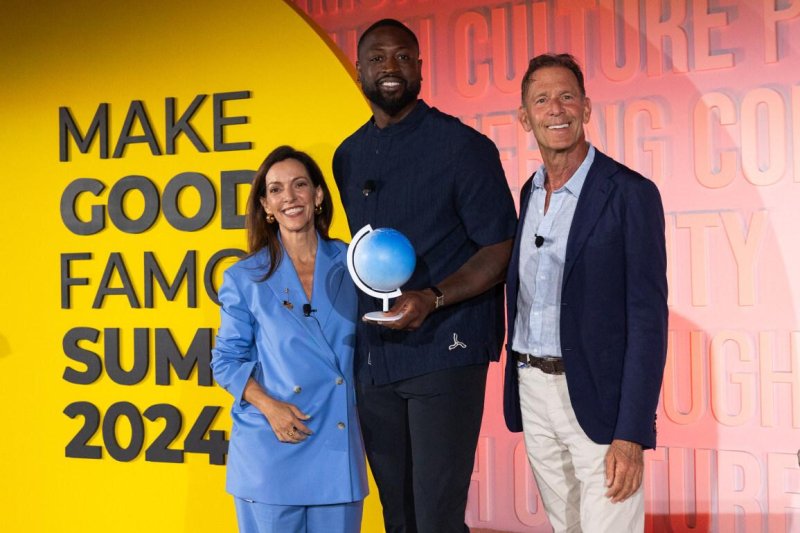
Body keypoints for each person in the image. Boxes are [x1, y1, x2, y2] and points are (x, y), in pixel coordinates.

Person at [333, 18, 517, 533]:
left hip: (446, 352)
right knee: (399, 516)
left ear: (419, 69)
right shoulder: (346, 156)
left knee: (436, 517)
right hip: (375, 357)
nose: (390, 68)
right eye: (377, 58)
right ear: (359, 71)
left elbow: (501, 246)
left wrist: (434, 298)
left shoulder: (463, 147)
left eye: (402, 57)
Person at [502, 53, 668, 532]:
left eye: (567, 96)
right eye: (542, 100)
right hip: (533, 388)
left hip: (599, 397)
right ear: (524, 117)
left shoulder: (629, 193)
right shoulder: (529, 193)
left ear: (587, 108)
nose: (556, 109)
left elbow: (647, 321)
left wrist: (631, 433)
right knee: (566, 525)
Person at [211, 145, 367, 533]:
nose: (289, 198)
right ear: (265, 205)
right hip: (272, 445)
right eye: (276, 190)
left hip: (335, 445)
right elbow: (225, 361)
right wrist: (270, 407)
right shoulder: (244, 276)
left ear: (317, 196)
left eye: (299, 185)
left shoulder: (356, 264)